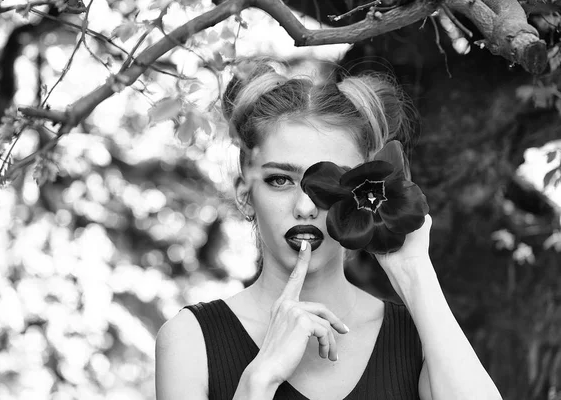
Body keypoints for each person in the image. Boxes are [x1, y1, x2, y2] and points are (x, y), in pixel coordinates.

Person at [155, 59, 503, 400]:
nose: (305, 206)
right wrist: (259, 381)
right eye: (280, 180)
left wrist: (413, 272)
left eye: (330, 181)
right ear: (246, 195)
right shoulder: (190, 340)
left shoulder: (420, 339)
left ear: (364, 188)